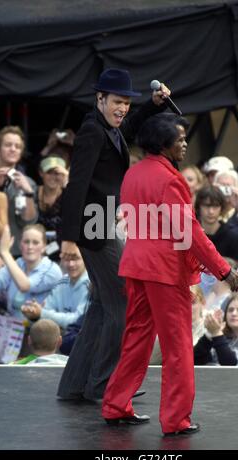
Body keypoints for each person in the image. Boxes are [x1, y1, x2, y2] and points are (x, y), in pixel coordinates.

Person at [101, 113, 238, 436]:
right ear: (163, 144)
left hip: (136, 266)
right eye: (179, 139)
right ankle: (176, 419)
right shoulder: (170, 179)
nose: (184, 144)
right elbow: (190, 232)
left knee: (136, 338)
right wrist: (223, 269)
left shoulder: (133, 174)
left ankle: (115, 404)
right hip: (164, 271)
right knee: (177, 346)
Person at [57, 68, 171, 401]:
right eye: (117, 102)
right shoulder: (93, 131)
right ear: (100, 99)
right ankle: (103, 384)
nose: (122, 108)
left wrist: (151, 104)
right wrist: (67, 238)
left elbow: (132, 127)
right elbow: (76, 184)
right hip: (94, 230)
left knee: (100, 305)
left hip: (104, 225)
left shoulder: (109, 128)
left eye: (126, 102)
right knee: (122, 300)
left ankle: (76, 385)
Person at [21, 244, 90, 330]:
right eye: (66, 258)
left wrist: (42, 313)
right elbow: (46, 309)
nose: (71, 264)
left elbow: (78, 321)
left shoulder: (91, 285)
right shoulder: (62, 281)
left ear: (85, 258)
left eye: (75, 258)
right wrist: (34, 314)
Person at [0, 126, 38, 257]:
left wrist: (28, 192)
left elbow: (28, 222)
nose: (13, 149)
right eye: (8, 145)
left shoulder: (28, 183)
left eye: (17, 146)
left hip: (16, 253)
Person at [194, 292, 238, 366]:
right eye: (230, 310)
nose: (234, 313)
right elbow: (195, 360)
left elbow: (231, 366)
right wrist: (209, 334)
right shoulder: (220, 336)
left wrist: (217, 334)